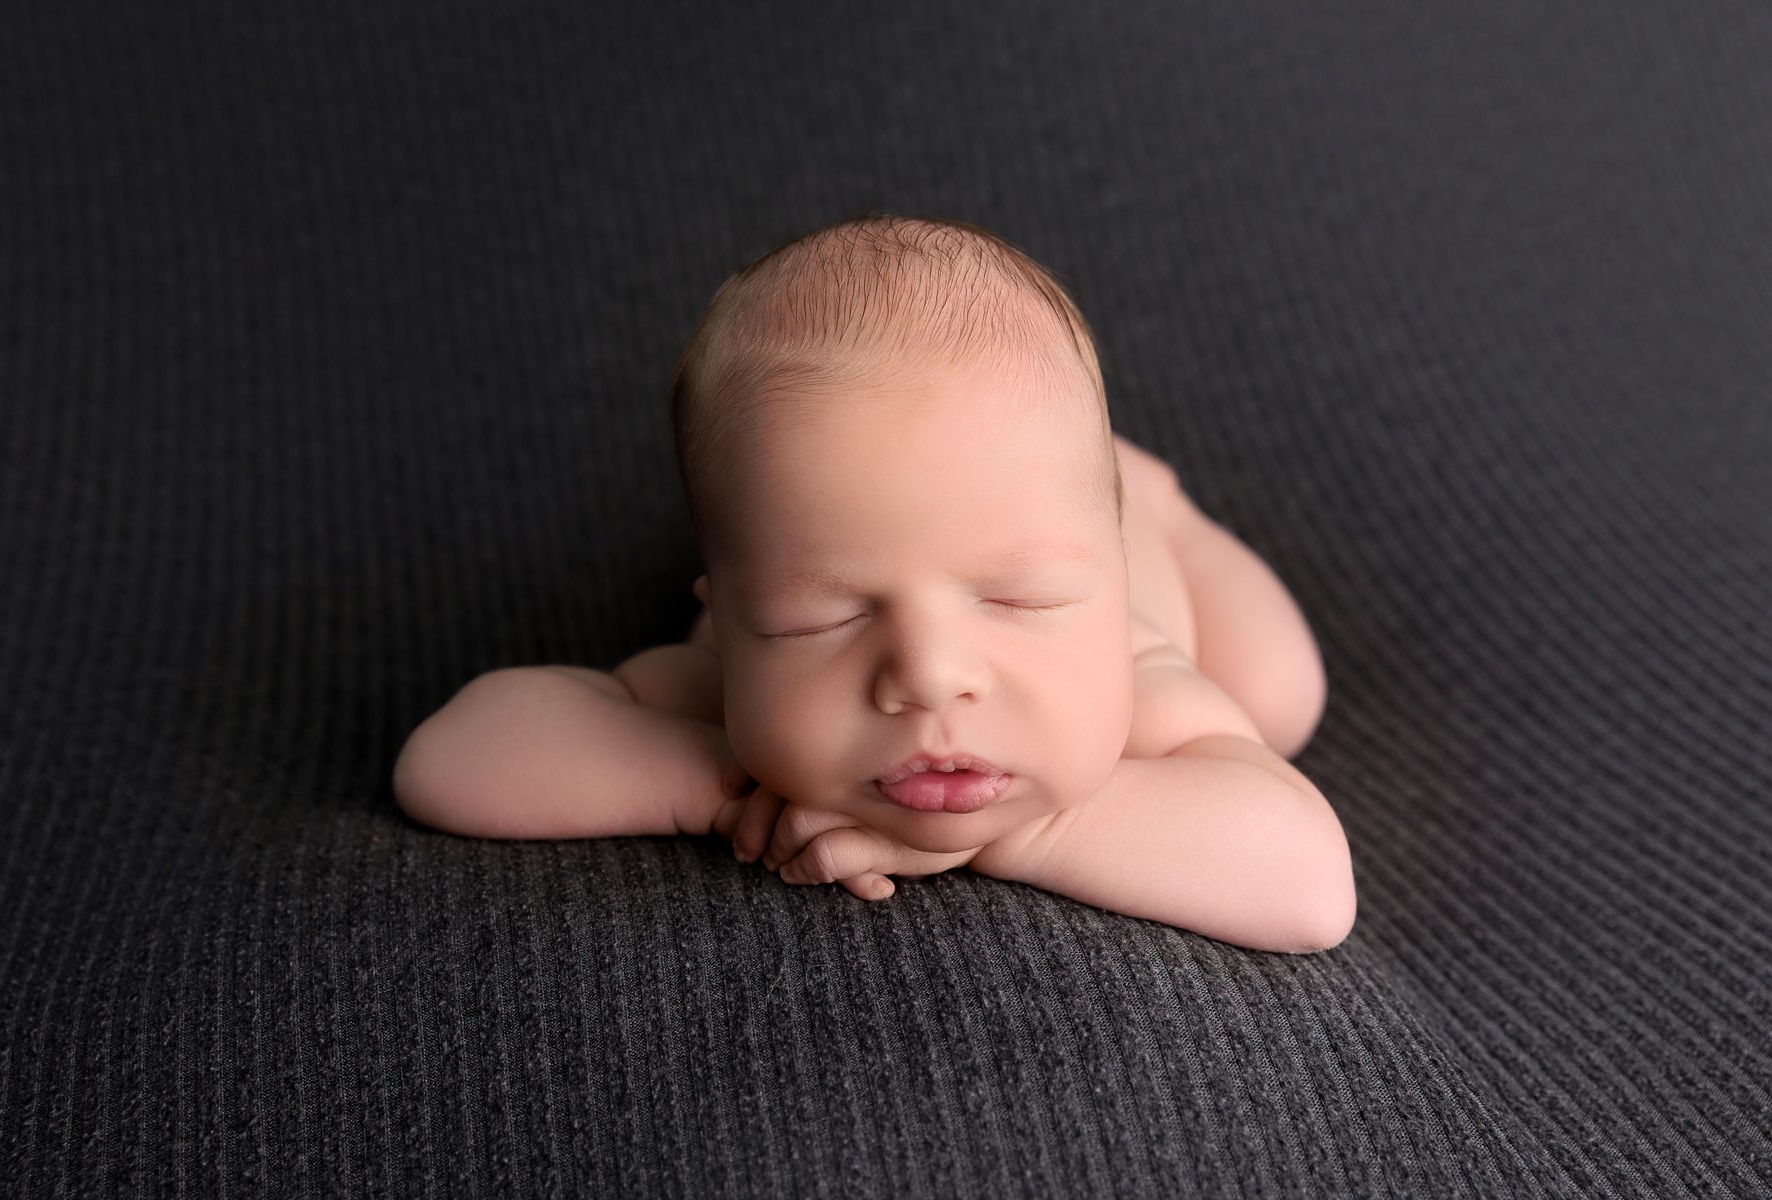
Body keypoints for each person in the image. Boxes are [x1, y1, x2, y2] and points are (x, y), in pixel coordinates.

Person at [392, 213, 1354, 953]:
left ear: (1108, 582)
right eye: (821, 616)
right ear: (725, 617)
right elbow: (448, 762)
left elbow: (1310, 890)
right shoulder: (728, 697)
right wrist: (716, 785)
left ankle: (1155, 498)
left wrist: (1009, 836)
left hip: (1142, 527)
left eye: (1022, 599)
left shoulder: (1140, 687)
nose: (929, 675)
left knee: (1276, 695)